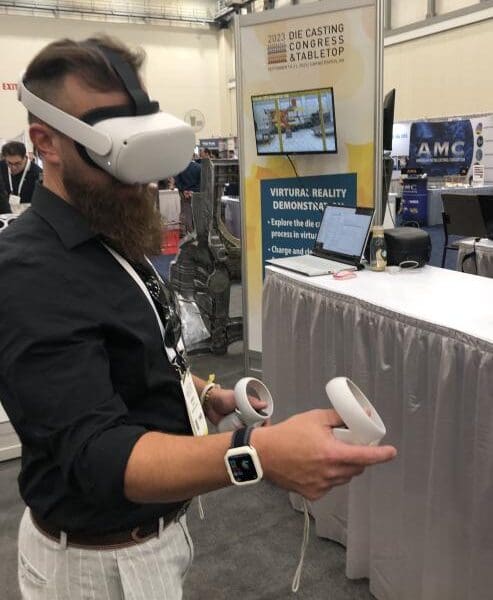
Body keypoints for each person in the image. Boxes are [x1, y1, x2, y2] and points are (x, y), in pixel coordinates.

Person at [0, 36, 396, 600]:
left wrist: (207, 395)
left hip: (155, 538)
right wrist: (259, 455)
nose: (138, 174)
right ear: (47, 142)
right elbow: (100, 454)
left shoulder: (106, 226)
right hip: (96, 570)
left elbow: (135, 359)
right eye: (114, 143)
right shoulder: (28, 272)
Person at [0, 140, 42, 209]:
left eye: (17, 163)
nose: (13, 167)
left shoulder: (37, 174)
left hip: (27, 214)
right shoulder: (1, 167)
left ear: (25, 157)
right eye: (9, 163)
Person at [174, 159, 202, 235]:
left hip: (184, 195)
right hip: (197, 195)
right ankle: (198, 233)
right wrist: (194, 191)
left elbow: (177, 182)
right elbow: (202, 182)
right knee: (198, 214)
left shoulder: (180, 168)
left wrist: (184, 190)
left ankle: (188, 233)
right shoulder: (199, 167)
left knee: (186, 214)